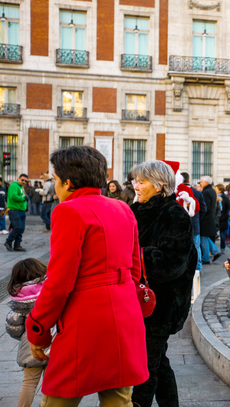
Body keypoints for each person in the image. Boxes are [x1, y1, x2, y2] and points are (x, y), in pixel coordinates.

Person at [25, 145, 148, 406]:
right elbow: (136, 269)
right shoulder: (123, 209)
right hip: (125, 314)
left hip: (86, 319)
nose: (54, 187)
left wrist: (38, 327)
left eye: (55, 180)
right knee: (118, 399)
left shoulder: (69, 210)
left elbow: (59, 282)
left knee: (59, 398)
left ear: (68, 183)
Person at [130, 160, 198, 407]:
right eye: (135, 180)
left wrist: (135, 252)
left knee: (145, 368)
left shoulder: (174, 214)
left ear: (159, 185)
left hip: (162, 306)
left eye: (142, 181)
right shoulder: (135, 209)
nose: (135, 185)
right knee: (159, 362)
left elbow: (172, 264)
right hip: (135, 301)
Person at [5, 258, 52, 407]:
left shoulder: (18, 300)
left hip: (30, 343)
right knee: (51, 382)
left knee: (29, 382)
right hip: (54, 342)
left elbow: (14, 327)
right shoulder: (51, 291)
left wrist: (26, 335)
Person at [182, 172, 206, 272]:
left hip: (182, 224)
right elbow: (203, 208)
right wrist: (198, 218)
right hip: (195, 223)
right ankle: (198, 267)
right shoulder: (197, 193)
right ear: (188, 180)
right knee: (196, 246)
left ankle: (186, 267)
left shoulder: (177, 192)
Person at [199, 176, 222, 264]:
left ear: (206, 182)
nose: (200, 183)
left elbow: (205, 207)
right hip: (210, 218)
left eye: (201, 181)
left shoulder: (206, 192)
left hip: (205, 219)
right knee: (205, 237)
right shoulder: (212, 191)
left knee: (203, 237)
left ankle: (206, 258)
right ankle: (215, 251)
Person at [5, 174, 30, 252]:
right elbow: (13, 196)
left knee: (21, 229)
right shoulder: (14, 185)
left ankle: (17, 245)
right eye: (22, 180)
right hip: (14, 210)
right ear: (18, 178)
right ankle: (8, 242)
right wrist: (23, 199)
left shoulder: (21, 187)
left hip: (21, 210)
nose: (24, 182)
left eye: (25, 181)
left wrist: (25, 206)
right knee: (17, 227)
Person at [216, 184, 230, 252]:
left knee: (222, 234)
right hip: (216, 218)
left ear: (220, 189)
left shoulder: (225, 197)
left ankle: (222, 247)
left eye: (216, 188)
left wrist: (225, 216)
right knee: (215, 234)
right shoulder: (215, 196)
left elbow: (227, 208)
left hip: (223, 218)